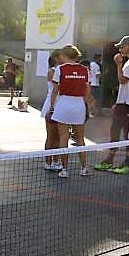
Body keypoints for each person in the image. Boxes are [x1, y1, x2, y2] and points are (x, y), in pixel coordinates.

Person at [94, 35, 129, 174]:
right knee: (114, 131)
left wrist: (118, 64)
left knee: (128, 134)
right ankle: (110, 160)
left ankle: (126, 164)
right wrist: (118, 102)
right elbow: (123, 85)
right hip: (122, 103)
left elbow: (122, 80)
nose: (120, 49)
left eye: (122, 46)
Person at [50, 45, 91, 178]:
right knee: (80, 139)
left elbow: (55, 90)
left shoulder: (60, 69)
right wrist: (83, 103)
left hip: (63, 104)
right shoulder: (85, 70)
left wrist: (52, 106)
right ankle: (84, 168)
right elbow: (88, 91)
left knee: (64, 137)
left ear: (64, 55)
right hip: (79, 105)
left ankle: (64, 169)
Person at [41, 49, 62, 172]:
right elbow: (56, 89)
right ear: (56, 58)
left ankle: (56, 160)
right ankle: (48, 162)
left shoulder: (61, 71)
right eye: (61, 56)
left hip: (61, 104)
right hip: (52, 104)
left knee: (59, 136)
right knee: (51, 135)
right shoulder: (52, 71)